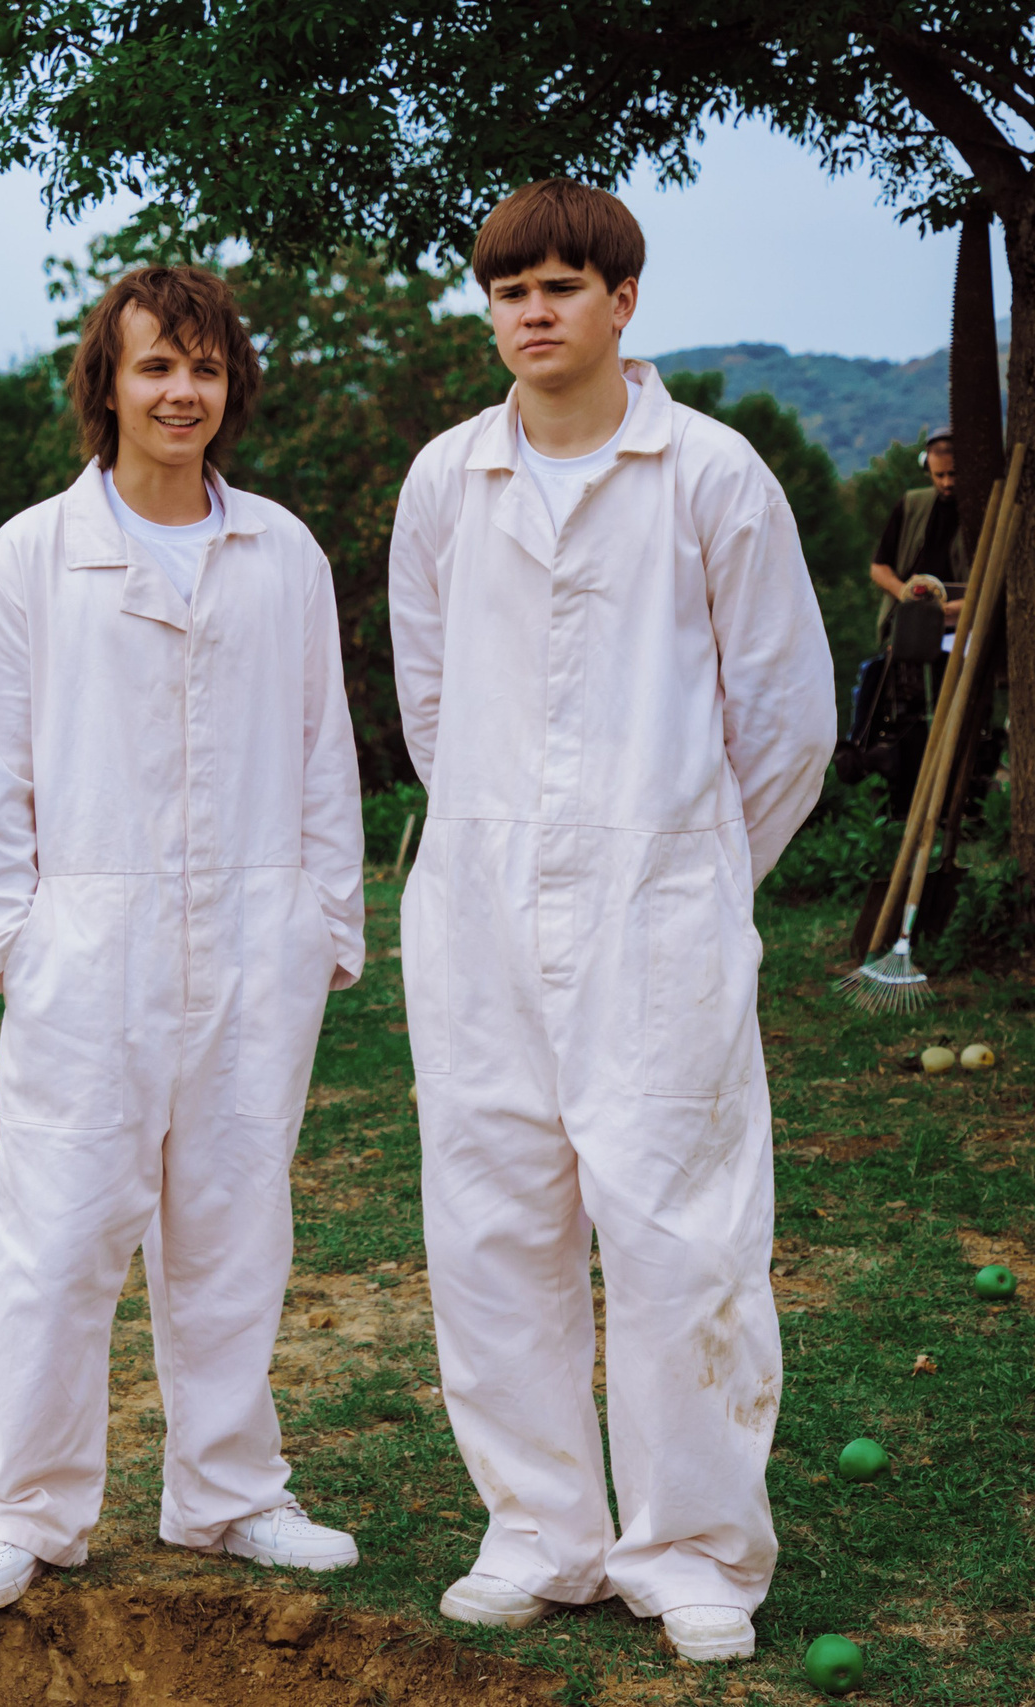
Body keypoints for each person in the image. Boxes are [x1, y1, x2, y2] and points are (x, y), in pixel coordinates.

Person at [387, 180, 836, 1663]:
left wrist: (692, 867)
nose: (533, 312)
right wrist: (508, 849)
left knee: (681, 1232)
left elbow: (785, 720)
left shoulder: (709, 474)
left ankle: (695, 1546)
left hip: (665, 911)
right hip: (481, 913)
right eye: (510, 290)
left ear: (623, 302)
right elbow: (431, 703)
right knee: (495, 1218)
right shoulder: (449, 480)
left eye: (563, 286)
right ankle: (540, 1527)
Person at [0, 264, 368, 1614]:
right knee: (59, 1235)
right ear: (105, 384)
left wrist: (321, 921)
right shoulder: (35, 553)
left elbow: (320, 747)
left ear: (229, 387)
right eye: (155, 367)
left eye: (206, 368)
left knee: (236, 1224)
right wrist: (9, 937)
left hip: (253, 928)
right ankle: (23, 1507)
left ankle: (229, 1493)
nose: (183, 391)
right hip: (90, 934)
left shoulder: (282, 551)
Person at [868, 430, 967, 642]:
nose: (947, 483)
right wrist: (906, 594)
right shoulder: (911, 504)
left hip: (962, 629)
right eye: (940, 475)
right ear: (927, 470)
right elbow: (879, 568)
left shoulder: (980, 509)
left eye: (953, 474)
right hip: (909, 626)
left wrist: (967, 606)